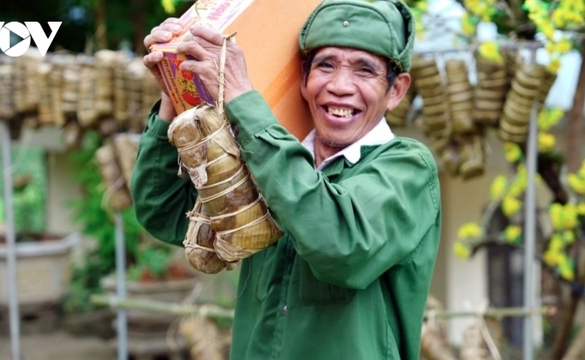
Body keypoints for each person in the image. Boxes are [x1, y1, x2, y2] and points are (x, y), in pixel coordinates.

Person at [132, 0, 441, 359]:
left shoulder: (407, 168)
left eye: (364, 70)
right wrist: (175, 94)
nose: (341, 86)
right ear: (304, 79)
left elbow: (339, 244)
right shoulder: (269, 157)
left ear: (397, 90)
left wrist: (243, 100)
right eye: (325, 65)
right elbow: (164, 212)